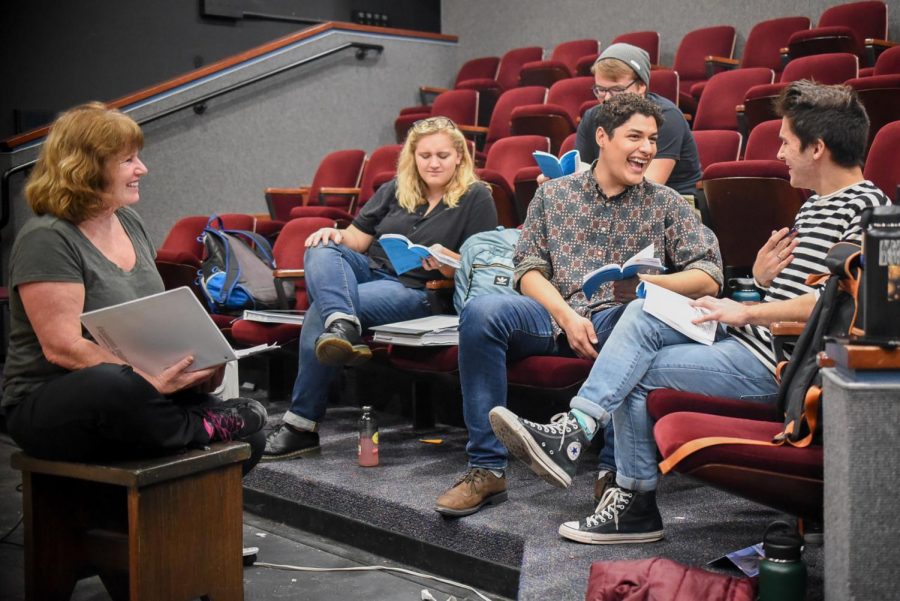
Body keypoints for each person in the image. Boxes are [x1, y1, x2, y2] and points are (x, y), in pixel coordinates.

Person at [490, 81, 891, 544]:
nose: (779, 152)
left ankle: (624, 491)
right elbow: (800, 292)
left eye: (785, 141)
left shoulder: (869, 210)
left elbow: (840, 308)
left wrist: (745, 312)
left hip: (779, 366)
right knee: (641, 315)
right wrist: (759, 282)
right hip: (749, 343)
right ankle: (582, 438)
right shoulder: (817, 206)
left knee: (636, 370)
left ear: (817, 148)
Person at [434, 93, 723, 517]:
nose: (646, 148)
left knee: (633, 321)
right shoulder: (554, 196)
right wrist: (565, 315)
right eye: (635, 136)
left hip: (615, 317)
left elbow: (711, 274)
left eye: (653, 139)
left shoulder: (665, 204)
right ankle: (487, 469)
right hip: (553, 314)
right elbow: (527, 269)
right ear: (602, 138)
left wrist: (646, 283)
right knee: (482, 313)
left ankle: (611, 472)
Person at [2, 103, 267, 472]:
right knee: (112, 385)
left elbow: (149, 324)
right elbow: (63, 348)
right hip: (56, 399)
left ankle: (191, 440)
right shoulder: (47, 237)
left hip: (138, 392)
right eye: (127, 160)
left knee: (251, 438)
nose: (141, 169)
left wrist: (197, 366)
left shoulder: (128, 220)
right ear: (87, 168)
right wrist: (148, 382)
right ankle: (197, 426)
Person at [263, 116, 498, 460]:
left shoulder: (477, 197)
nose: (433, 163)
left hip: (419, 290)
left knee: (319, 311)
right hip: (370, 271)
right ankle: (343, 324)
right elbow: (356, 240)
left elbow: (482, 262)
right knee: (320, 246)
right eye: (425, 155)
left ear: (459, 156)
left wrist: (449, 261)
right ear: (413, 157)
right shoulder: (395, 189)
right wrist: (335, 235)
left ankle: (301, 424)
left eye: (442, 155)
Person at [575, 43, 701, 196]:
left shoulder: (667, 117)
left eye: (617, 90)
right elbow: (581, 173)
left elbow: (648, 187)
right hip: (608, 200)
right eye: (601, 90)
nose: (607, 98)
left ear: (641, 86)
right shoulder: (591, 117)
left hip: (674, 204)